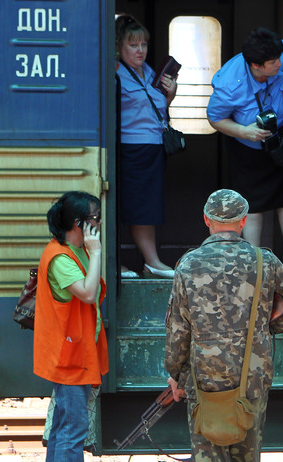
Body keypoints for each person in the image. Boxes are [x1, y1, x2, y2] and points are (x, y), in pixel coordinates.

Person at [164, 189, 283, 462]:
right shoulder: (264, 260)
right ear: (243, 221)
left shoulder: (188, 264)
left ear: (206, 220)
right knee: (247, 455)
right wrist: (264, 329)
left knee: (209, 451)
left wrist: (175, 373)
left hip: (204, 373)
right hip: (252, 371)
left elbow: (178, 329)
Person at [207, 28, 283, 269]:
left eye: (280, 59)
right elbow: (214, 118)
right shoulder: (228, 83)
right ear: (256, 66)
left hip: (282, 141)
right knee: (254, 203)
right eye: (273, 63)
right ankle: (254, 262)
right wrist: (244, 131)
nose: (280, 63)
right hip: (248, 147)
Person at [33, 191, 109, 462]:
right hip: (70, 356)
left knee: (64, 427)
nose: (99, 224)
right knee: (73, 430)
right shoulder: (60, 258)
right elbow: (88, 294)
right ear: (79, 223)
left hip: (79, 352)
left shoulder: (76, 251)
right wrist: (97, 251)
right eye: (95, 219)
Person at [116, 14, 177, 278]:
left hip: (153, 148)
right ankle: (114, 263)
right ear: (119, 46)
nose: (140, 50)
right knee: (127, 207)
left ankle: (152, 262)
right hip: (130, 149)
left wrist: (170, 94)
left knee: (148, 208)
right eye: (133, 45)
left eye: (143, 44)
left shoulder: (150, 71)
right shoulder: (115, 72)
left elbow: (158, 110)